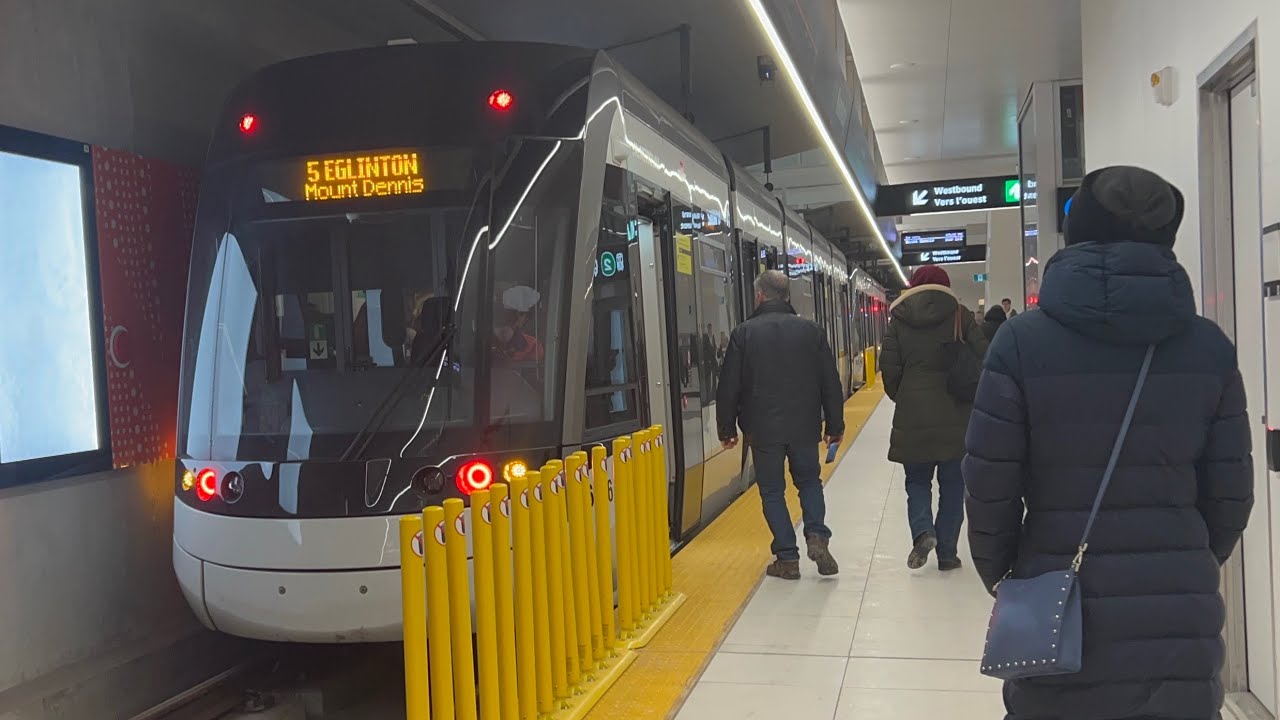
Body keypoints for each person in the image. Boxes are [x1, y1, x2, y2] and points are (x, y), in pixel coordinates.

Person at [964, 166, 1253, 720]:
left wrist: (1005, 572)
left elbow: (989, 485)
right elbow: (1231, 495)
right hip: (1178, 614)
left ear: (1076, 236)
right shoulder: (1209, 349)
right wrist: (1186, 559)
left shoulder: (1020, 343)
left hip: (1059, 604)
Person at [717, 270, 845, 579]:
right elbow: (830, 381)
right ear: (787, 296)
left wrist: (726, 429)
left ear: (759, 295)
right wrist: (835, 425)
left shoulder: (744, 333)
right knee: (809, 482)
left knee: (772, 491)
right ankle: (816, 534)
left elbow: (728, 386)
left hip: (763, 429)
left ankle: (787, 558)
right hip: (804, 426)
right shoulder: (812, 331)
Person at [880, 264, 988, 571]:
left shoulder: (898, 321)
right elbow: (985, 358)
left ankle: (923, 531)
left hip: (913, 415)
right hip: (956, 415)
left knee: (917, 481)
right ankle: (947, 552)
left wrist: (905, 396)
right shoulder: (961, 315)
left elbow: (889, 370)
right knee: (953, 486)